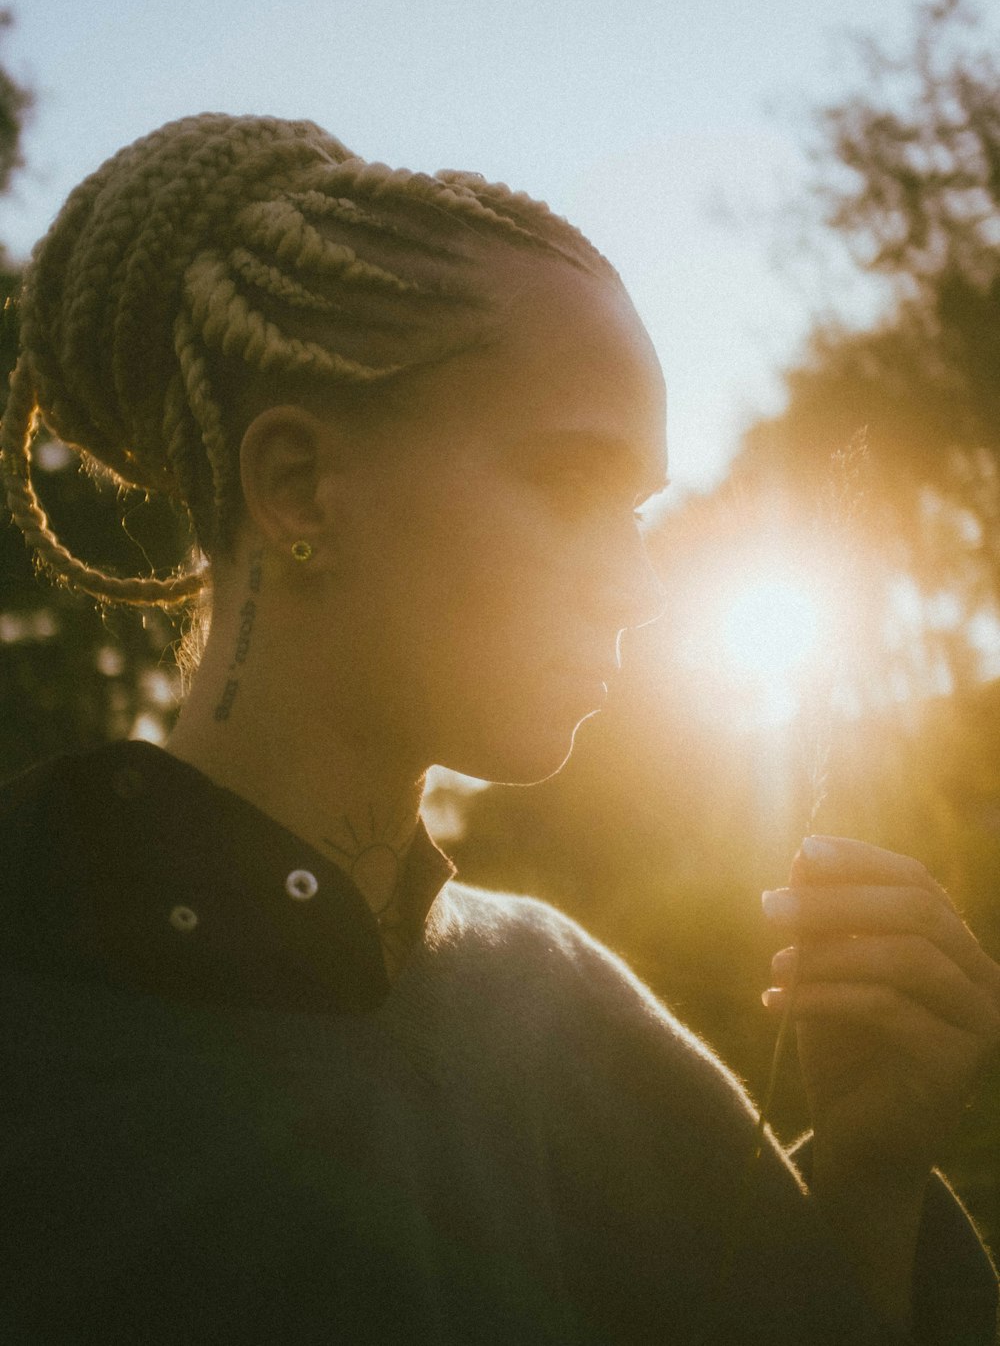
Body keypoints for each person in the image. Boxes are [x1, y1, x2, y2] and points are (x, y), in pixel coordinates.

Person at [0, 113, 997, 1345]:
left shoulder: (575, 1017)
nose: (637, 586)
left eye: (636, 511)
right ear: (300, 484)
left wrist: (865, 1183)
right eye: (570, 485)